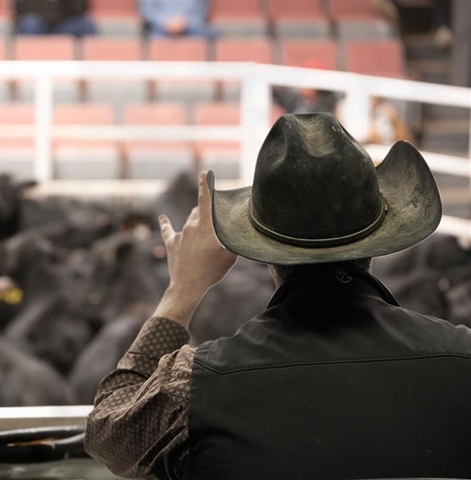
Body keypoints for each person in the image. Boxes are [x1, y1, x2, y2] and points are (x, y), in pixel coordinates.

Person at [85, 113, 471, 479]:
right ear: (377, 237)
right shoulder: (463, 358)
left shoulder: (194, 388)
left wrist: (181, 291)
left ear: (263, 249)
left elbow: (107, 429)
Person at [14, 0, 97, 37]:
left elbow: (81, 8)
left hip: (65, 25)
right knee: (29, 23)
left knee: (86, 25)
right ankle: (28, 60)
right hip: (39, 24)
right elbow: (20, 8)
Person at [139, 0, 215, 39]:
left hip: (192, 29)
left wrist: (184, 22)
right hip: (160, 30)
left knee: (210, 34)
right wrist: (167, 22)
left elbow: (202, 10)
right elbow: (147, 11)